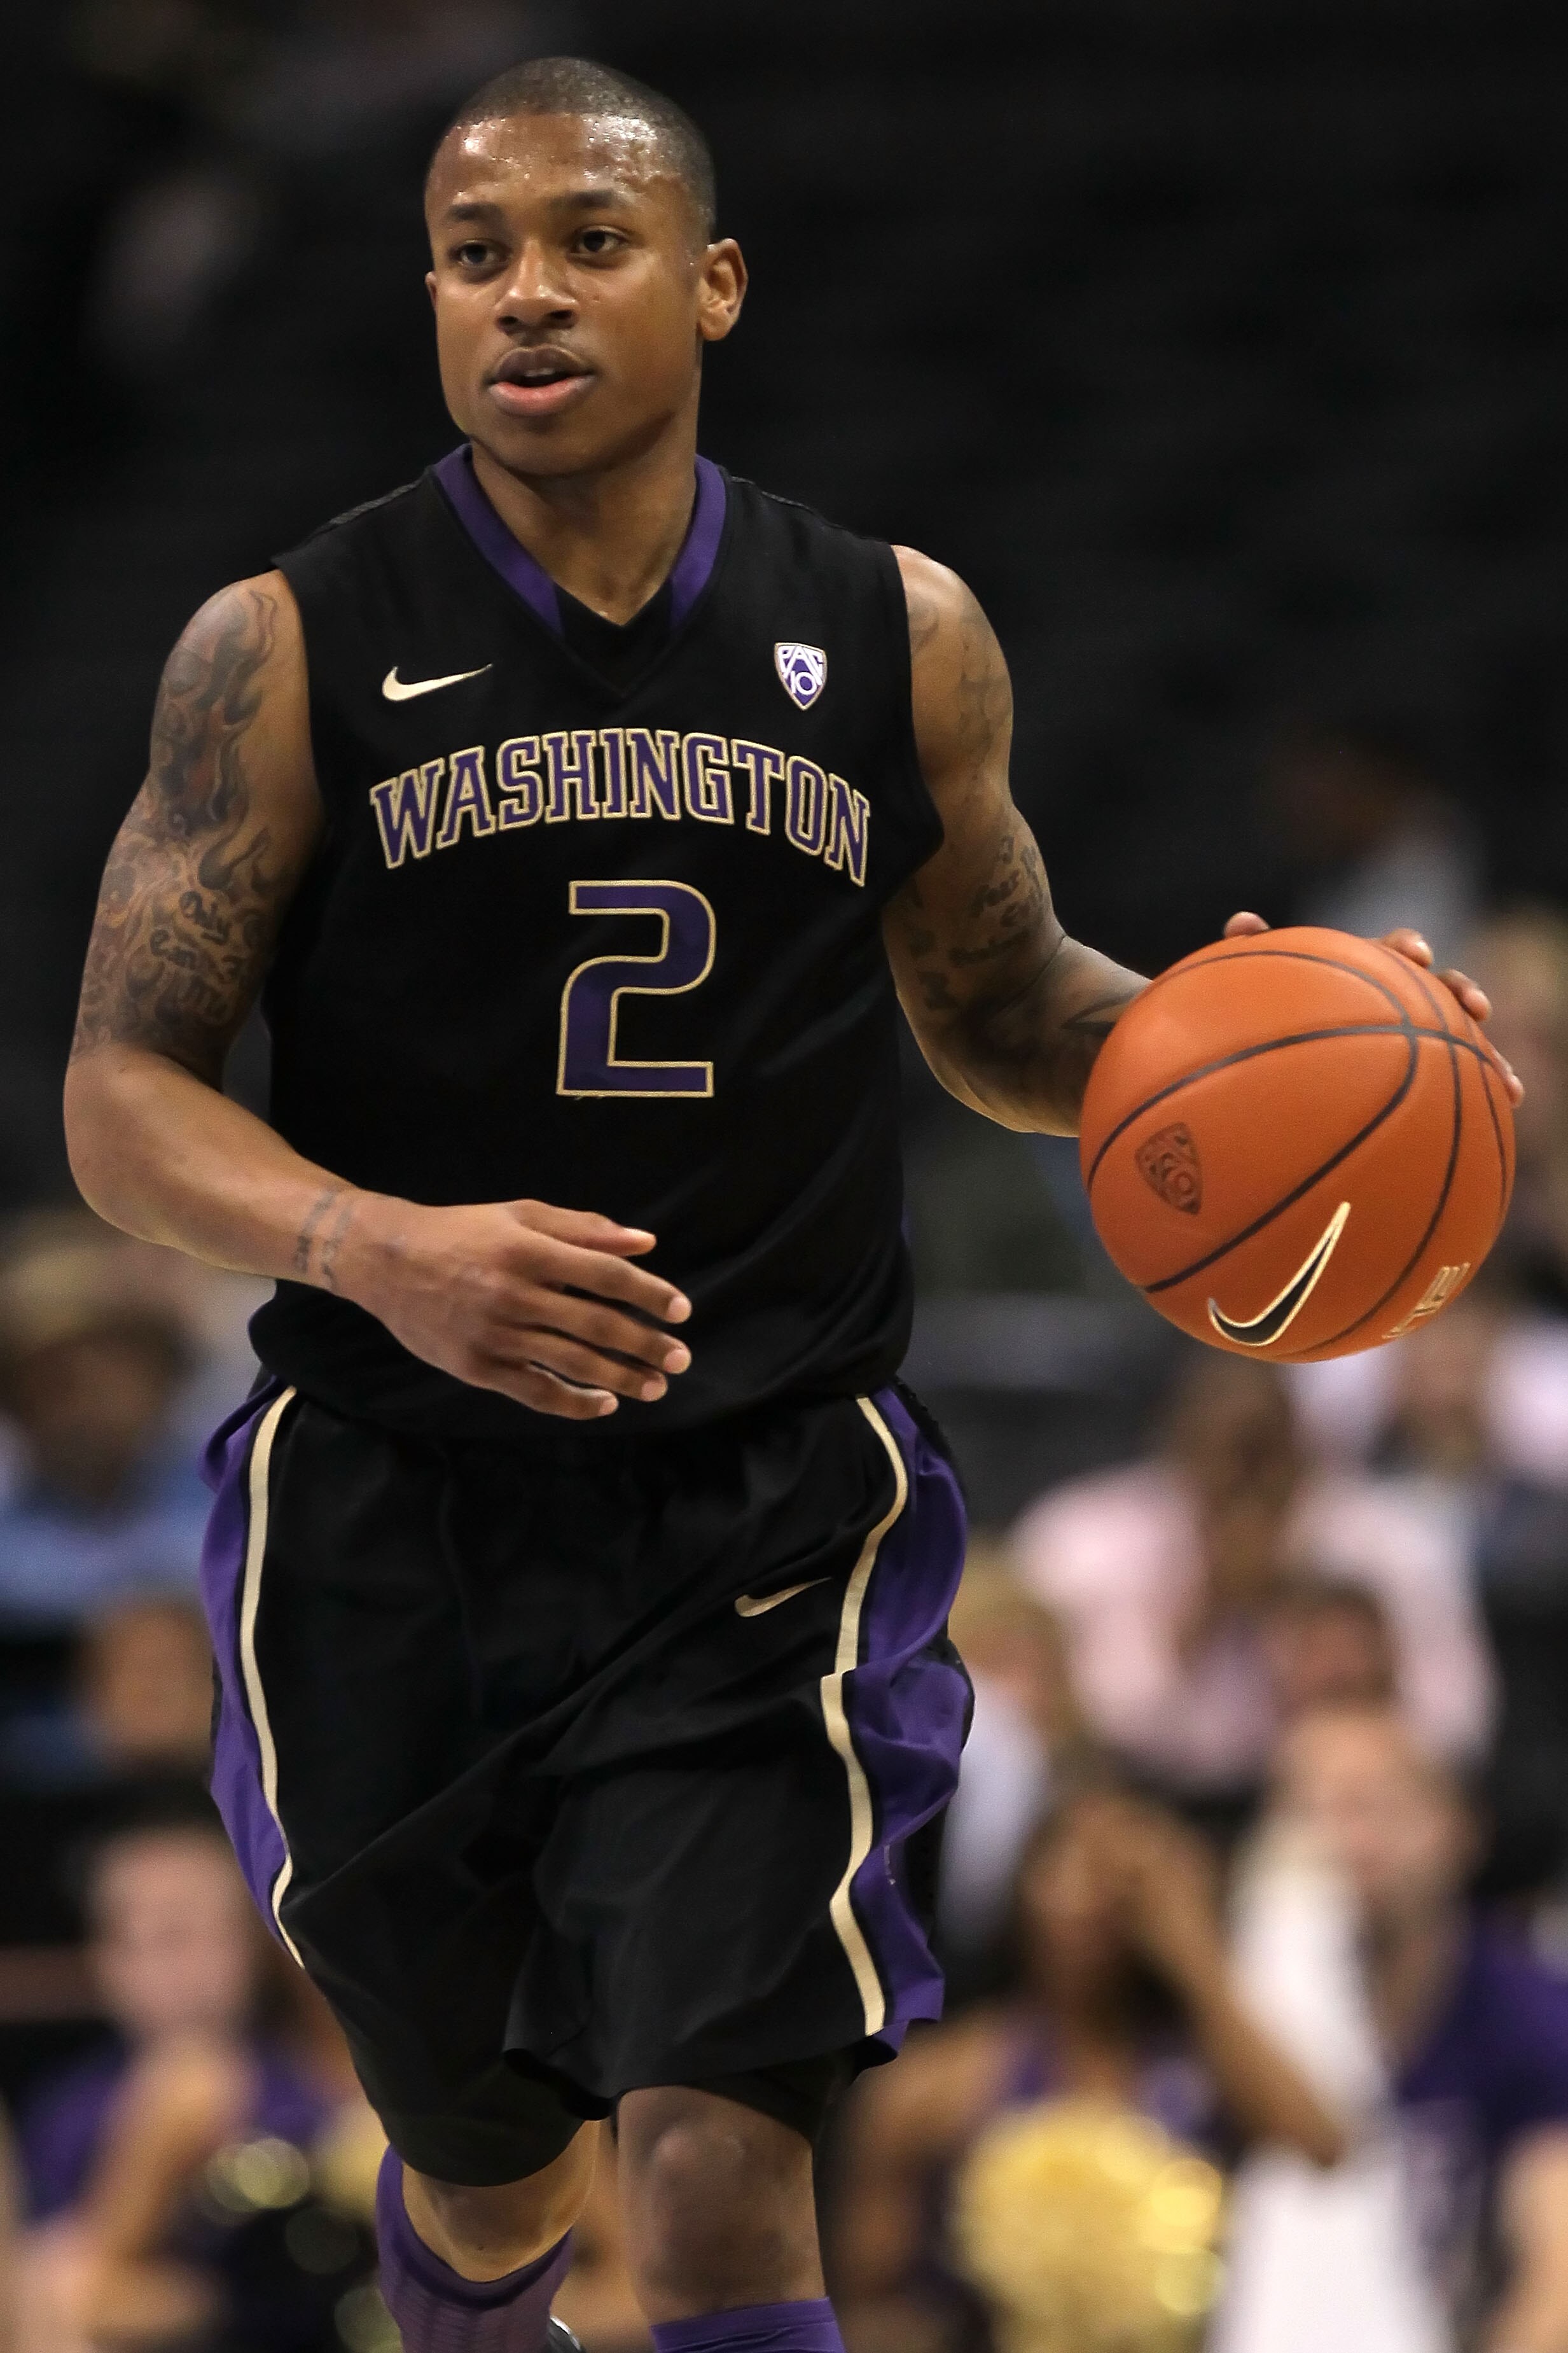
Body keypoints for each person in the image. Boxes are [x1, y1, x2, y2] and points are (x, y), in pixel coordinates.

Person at [59, 53, 1505, 2353]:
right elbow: (119, 1100)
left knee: (727, 2171)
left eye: (587, 243)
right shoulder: (286, 643)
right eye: (471, 253)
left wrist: (1249, 1045)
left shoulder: (893, 629)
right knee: (480, 2160)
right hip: (390, 1508)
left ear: (712, 282)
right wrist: (374, 1245)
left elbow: (1004, 997)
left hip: (757, 1509)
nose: (524, 297)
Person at [833, 1791, 1343, 2353]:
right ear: (1022, 1884)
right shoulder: (935, 2086)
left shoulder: (1206, 2077)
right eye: (1067, 1864)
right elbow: (865, 2309)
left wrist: (1194, 1950)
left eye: (1123, 1881)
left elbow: (1323, 2147)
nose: (1090, 1899)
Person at [1012, 1353, 1494, 1806]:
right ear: (1177, 1443)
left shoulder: (1389, 1542)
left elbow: (1456, 1723)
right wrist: (1205, 1607)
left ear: (1303, 1448)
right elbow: (1067, 1725)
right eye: (1220, 1452)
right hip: (1137, 1796)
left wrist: (1336, 1678)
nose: (1242, 1481)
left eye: (1263, 1454)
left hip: (1329, 1810)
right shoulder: (1081, 1537)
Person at [16, 1791, 366, 2351]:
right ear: (103, 1956)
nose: (179, 1967)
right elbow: (62, 2292)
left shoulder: (311, 2076)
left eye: (203, 1932)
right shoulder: (70, 2112)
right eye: (150, 1937)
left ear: (258, 1945)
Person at [1269, 1703, 1568, 2349]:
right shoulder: (1249, 2008)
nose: (1350, 1840)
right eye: (1313, 1809)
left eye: (1375, 1806)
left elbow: (1558, 2278)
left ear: (1460, 1829)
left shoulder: (1528, 2009)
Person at [0, 1212, 210, 1628]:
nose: (86, 1398)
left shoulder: (241, 1505)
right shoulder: (9, 1543)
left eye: (112, 1364)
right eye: (56, 1376)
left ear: (160, 1373)